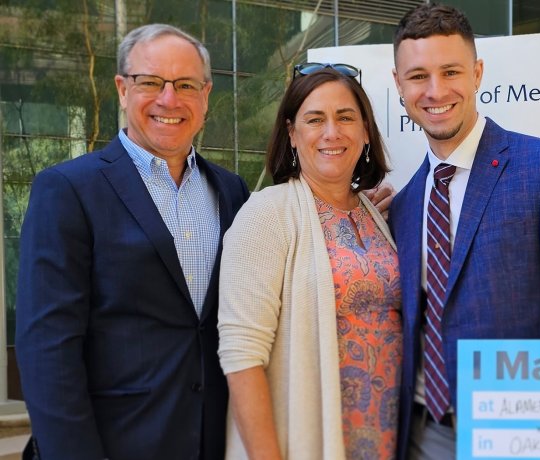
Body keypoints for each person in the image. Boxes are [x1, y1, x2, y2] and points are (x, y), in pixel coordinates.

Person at [389, 4, 540, 459]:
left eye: (450, 71)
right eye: (417, 76)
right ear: (398, 85)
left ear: (477, 73)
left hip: (527, 435)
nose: (435, 91)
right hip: (422, 435)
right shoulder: (404, 203)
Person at [15, 24, 250, 460]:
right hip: (114, 443)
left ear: (206, 95)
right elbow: (48, 349)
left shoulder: (232, 191)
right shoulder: (67, 189)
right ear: (123, 89)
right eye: (150, 83)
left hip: (215, 441)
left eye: (185, 85)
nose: (169, 99)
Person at [218, 65, 401, 459]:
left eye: (346, 117)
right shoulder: (265, 215)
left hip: (387, 437)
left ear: (366, 131)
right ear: (292, 133)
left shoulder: (374, 213)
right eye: (315, 119)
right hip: (307, 442)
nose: (332, 132)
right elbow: (241, 355)